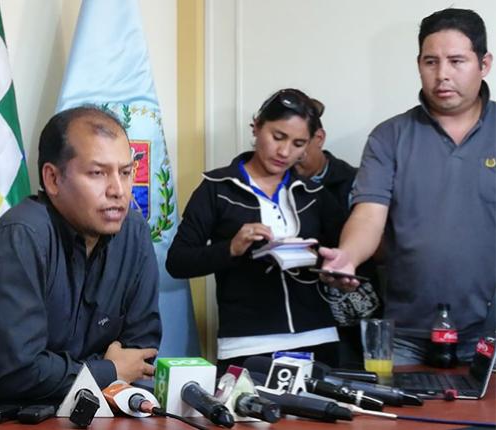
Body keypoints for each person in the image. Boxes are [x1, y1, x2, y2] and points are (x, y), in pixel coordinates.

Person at [0, 106, 162, 401]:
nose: (119, 191)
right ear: (53, 179)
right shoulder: (21, 237)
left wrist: (60, 371)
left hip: (93, 411)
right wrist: (107, 369)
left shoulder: (133, 232)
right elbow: (15, 374)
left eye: (125, 172)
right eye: (98, 173)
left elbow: (140, 357)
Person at [320, 8, 496, 364]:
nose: (442, 74)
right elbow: (369, 215)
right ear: (418, 64)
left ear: (485, 63)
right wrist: (348, 257)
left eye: (456, 61)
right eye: (431, 62)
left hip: (491, 335)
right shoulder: (390, 137)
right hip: (406, 337)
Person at [166, 88, 346, 372]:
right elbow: (177, 261)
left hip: (318, 337)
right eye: (278, 137)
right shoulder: (217, 188)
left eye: (299, 143)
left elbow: (342, 253)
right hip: (246, 344)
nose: (285, 152)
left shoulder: (314, 193)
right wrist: (232, 248)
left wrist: (337, 272)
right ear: (257, 126)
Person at [293, 101, 382, 369]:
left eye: (299, 145)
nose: (288, 153)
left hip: (353, 312)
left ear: (318, 138)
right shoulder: (277, 184)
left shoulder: (357, 181)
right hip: (301, 317)